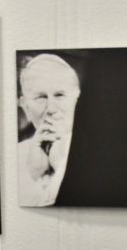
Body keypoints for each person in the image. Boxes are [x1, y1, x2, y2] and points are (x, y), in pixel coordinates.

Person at [17, 53, 81, 207]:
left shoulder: (99, 150)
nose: (51, 108)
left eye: (59, 95)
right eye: (41, 97)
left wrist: (63, 165)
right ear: (26, 107)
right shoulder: (16, 154)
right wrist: (34, 174)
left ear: (77, 101)